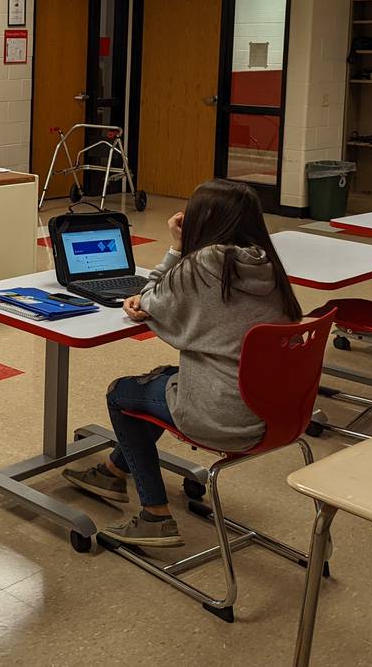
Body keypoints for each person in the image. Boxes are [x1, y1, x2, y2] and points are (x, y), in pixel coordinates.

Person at [60, 179, 302, 548]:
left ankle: (154, 515)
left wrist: (176, 247)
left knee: (122, 394)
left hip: (223, 415)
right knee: (160, 380)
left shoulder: (206, 264)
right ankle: (112, 470)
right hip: (278, 411)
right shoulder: (265, 262)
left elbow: (150, 298)